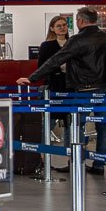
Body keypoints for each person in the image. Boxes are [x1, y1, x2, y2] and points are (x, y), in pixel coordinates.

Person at [18, 7, 106, 175]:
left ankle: (77, 161)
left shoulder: (78, 40)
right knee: (104, 127)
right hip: (105, 89)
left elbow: (56, 60)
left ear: (81, 21)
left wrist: (32, 78)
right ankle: (99, 165)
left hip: (83, 89)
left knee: (77, 125)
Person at [37, 14, 72, 142]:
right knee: (49, 122)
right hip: (54, 86)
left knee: (71, 123)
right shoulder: (47, 45)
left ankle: (71, 156)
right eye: (59, 26)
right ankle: (42, 156)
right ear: (52, 28)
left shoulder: (73, 43)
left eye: (64, 25)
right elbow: (42, 66)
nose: (62, 28)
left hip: (71, 87)